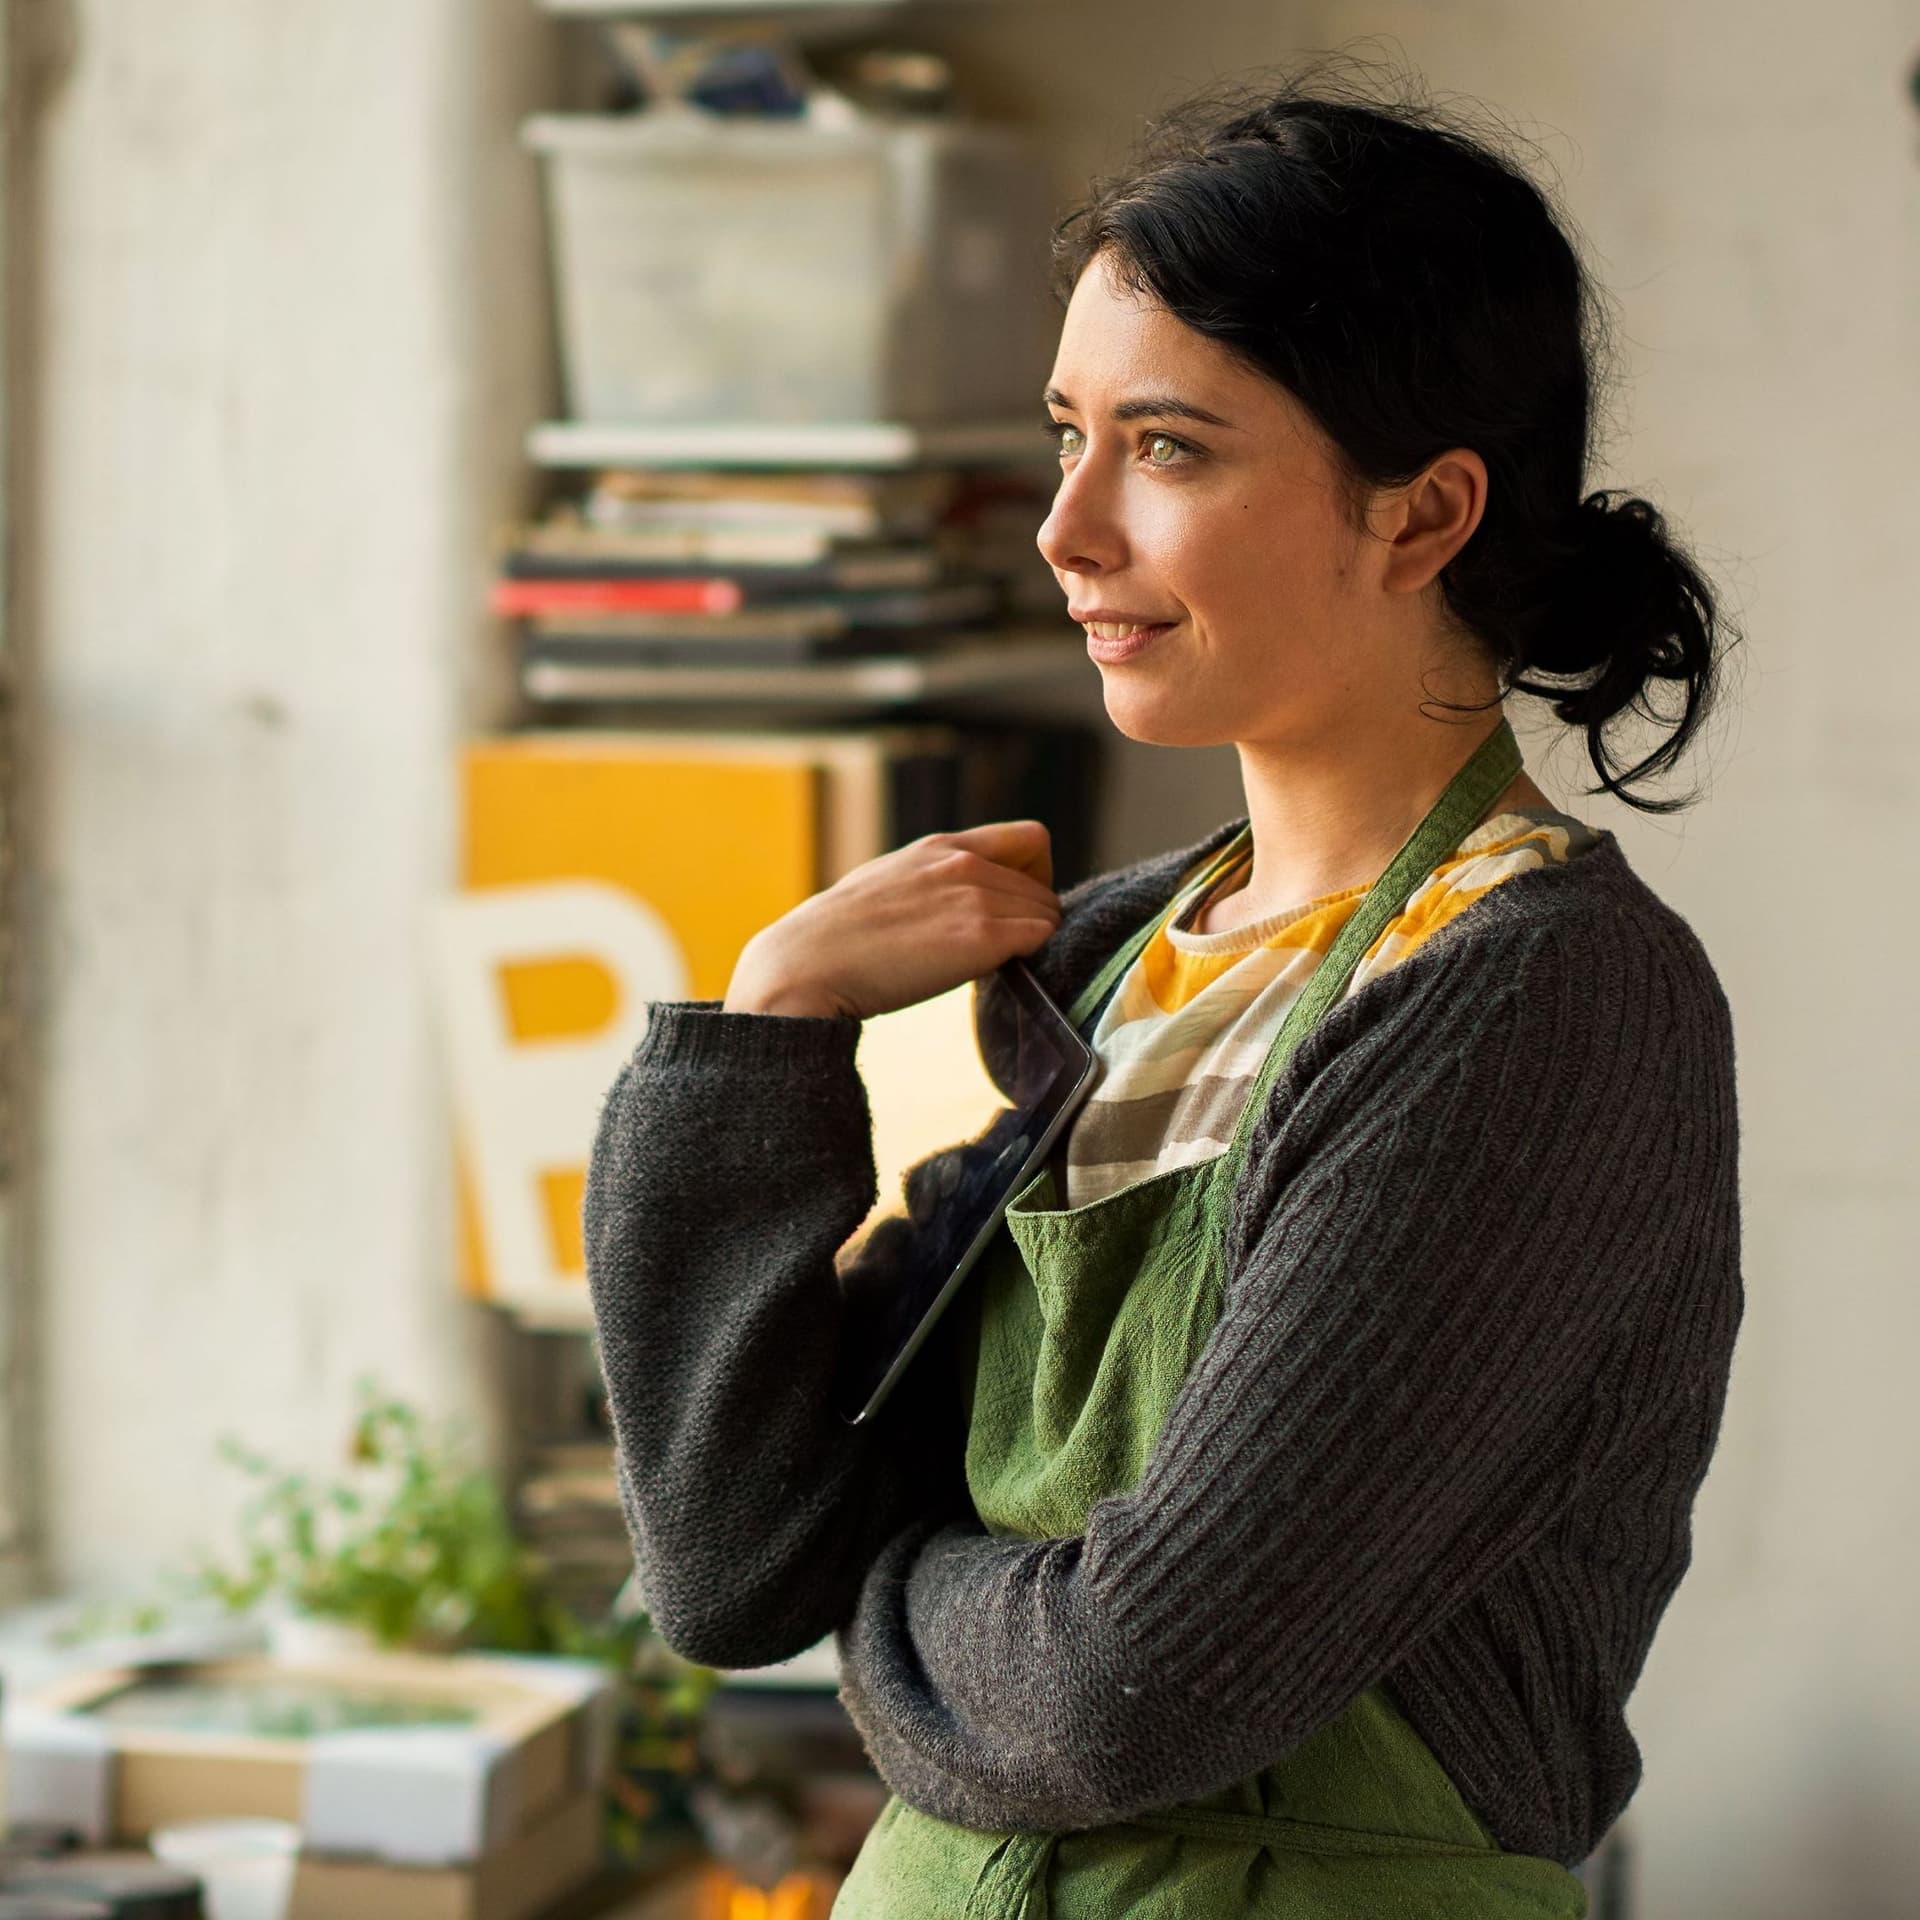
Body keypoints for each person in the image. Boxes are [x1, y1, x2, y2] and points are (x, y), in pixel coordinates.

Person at [583, 68, 1744, 1920]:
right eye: (1069, 435)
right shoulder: (1113, 969)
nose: (1066, 529)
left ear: (1423, 513)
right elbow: (733, 1565)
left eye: (1171, 449)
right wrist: (765, 1032)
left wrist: (888, 1612)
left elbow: (1146, 1683)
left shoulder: (1545, 1003)